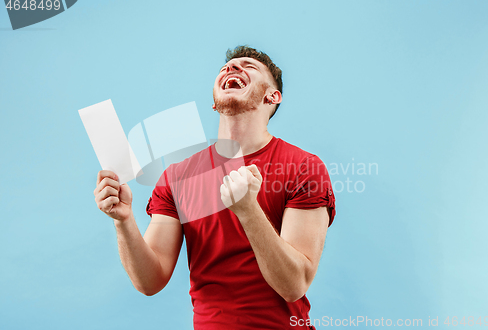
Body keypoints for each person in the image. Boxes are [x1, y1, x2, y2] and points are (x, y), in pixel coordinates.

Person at [94, 46, 336, 329]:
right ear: (214, 102)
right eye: (227, 67)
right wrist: (124, 220)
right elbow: (150, 281)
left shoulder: (303, 167)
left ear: (273, 96)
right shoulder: (177, 177)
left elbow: (294, 285)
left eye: (249, 66)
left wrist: (248, 210)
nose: (232, 68)